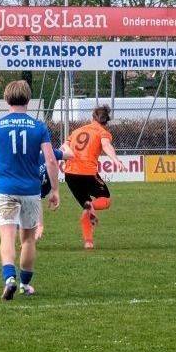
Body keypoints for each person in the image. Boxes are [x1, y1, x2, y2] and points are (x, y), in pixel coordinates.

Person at [0, 80, 60, 300]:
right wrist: (55, 190)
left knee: (7, 236)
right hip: (31, 191)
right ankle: (24, 284)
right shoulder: (39, 127)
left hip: (6, 190)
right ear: (28, 99)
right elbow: (51, 160)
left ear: (6, 99)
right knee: (28, 240)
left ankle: (9, 278)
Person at [63, 105, 125, 249]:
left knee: (87, 209)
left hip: (70, 174)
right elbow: (106, 145)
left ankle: (88, 242)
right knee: (105, 200)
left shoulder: (76, 131)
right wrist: (115, 159)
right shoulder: (103, 132)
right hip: (87, 173)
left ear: (92, 117)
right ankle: (91, 205)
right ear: (106, 121)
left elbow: (64, 147)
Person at [0, 145, 72, 241]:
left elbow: (69, 156)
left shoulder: (43, 155)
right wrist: (66, 144)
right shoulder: (50, 154)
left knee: (23, 220)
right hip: (27, 192)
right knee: (26, 223)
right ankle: (0, 213)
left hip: (27, 190)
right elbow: (70, 155)